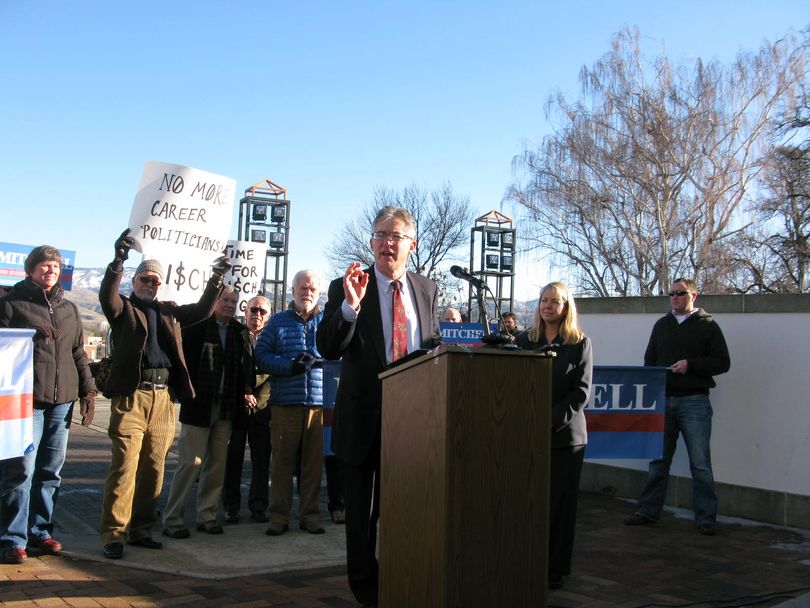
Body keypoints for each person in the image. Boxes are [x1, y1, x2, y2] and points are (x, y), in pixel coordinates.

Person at [317, 206, 440, 607]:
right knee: (362, 518)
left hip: (413, 423)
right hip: (363, 420)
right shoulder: (348, 285)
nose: (387, 242)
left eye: (396, 235)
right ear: (371, 242)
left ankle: (406, 578)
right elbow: (329, 345)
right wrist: (351, 306)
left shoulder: (426, 288)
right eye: (380, 235)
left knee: (408, 510)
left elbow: (432, 345)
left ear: (412, 244)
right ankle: (368, 593)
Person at [98, 229, 229, 560]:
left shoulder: (169, 311)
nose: (150, 284)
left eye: (155, 280)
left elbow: (201, 311)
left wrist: (216, 277)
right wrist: (119, 259)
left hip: (162, 399)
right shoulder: (123, 309)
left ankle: (142, 529)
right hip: (132, 397)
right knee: (125, 466)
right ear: (135, 281)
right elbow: (106, 296)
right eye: (145, 278)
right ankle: (114, 532)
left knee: (155, 467)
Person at [0, 246, 96, 565]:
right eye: (44, 265)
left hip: (62, 402)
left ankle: (41, 531)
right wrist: (28, 335)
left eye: (55, 265)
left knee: (50, 471)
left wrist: (89, 391)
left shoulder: (69, 309)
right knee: (20, 470)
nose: (50, 270)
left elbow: (78, 353)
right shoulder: (11, 304)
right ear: (30, 270)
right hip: (25, 402)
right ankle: (12, 538)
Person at [625, 278, 730, 536]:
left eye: (680, 293)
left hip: (694, 401)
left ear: (693, 295)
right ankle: (648, 510)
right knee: (658, 460)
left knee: (700, 462)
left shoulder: (708, 326)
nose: (674, 297)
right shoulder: (662, 325)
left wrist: (690, 365)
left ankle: (706, 517)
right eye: (671, 293)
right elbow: (650, 361)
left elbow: (722, 362)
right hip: (664, 399)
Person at [516, 282, 592, 590]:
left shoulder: (579, 342)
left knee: (559, 507)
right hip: (525, 437)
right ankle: (525, 559)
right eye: (543, 301)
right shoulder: (524, 340)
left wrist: (546, 422)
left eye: (554, 301)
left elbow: (581, 392)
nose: (547, 306)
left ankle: (554, 568)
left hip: (564, 438)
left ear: (566, 307)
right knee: (526, 503)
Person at [162, 286, 247, 538]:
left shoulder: (239, 332)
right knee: (190, 463)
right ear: (215, 300)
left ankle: (207, 516)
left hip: (227, 407)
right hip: (199, 405)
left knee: (216, 466)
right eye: (225, 299)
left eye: (234, 301)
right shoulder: (197, 326)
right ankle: (173, 519)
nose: (230, 305)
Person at [255, 270, 326, 536]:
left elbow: (338, 355)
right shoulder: (277, 322)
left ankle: (310, 516)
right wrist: (290, 367)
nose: (306, 291)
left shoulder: (326, 321)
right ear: (292, 290)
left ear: (318, 293)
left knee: (312, 466)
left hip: (317, 404)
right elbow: (261, 356)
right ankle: (279, 517)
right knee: (282, 463)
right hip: (285, 404)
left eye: (312, 288)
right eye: (302, 287)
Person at [223, 294, 273, 524]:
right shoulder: (236, 335)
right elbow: (232, 366)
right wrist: (244, 392)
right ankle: (231, 507)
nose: (258, 315)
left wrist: (257, 396)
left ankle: (259, 506)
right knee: (232, 459)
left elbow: (273, 371)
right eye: (254, 310)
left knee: (261, 461)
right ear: (246, 311)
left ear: (268, 315)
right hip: (237, 407)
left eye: (262, 311)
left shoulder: (273, 338)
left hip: (263, 409)